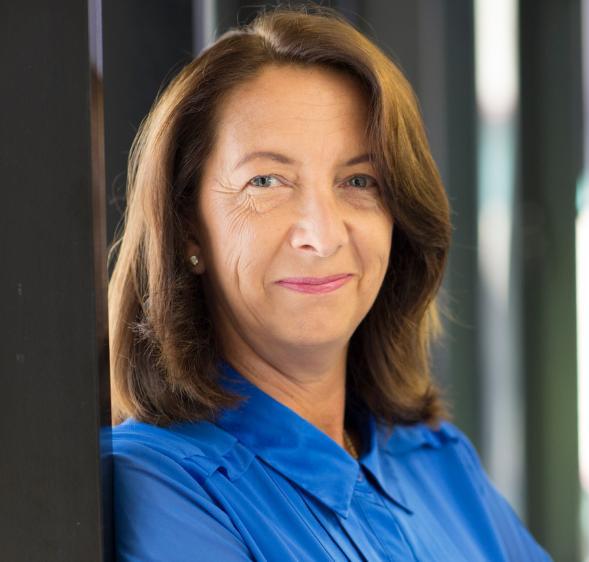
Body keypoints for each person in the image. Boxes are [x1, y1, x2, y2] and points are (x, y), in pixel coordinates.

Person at [105, 7, 550, 561]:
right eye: (266, 181)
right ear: (187, 228)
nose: (322, 233)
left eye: (358, 181)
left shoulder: (437, 460)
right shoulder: (157, 484)